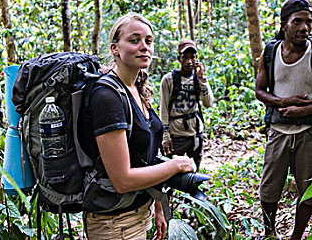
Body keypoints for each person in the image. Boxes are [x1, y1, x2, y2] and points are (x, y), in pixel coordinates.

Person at [79, 13, 196, 240]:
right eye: (134, 41)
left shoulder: (137, 87)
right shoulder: (107, 98)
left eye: (148, 41)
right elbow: (122, 180)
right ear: (115, 48)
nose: (144, 47)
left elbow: (146, 157)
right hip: (115, 223)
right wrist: (176, 165)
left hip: (139, 212)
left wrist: (158, 206)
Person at [255, 0, 312, 240]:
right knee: (269, 189)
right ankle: (270, 233)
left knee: (308, 191)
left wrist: (303, 111)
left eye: (308, 22)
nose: (304, 27)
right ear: (284, 25)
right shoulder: (271, 54)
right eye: (298, 21)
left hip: (309, 132)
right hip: (278, 131)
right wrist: (281, 102)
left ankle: (296, 237)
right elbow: (259, 90)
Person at [159, 39, 213, 169]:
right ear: (179, 59)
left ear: (196, 59)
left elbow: (208, 103)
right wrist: (165, 136)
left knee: (195, 169)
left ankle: (193, 189)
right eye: (185, 57)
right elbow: (164, 108)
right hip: (177, 134)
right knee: (170, 170)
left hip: (195, 132)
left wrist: (202, 80)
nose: (189, 61)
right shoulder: (169, 80)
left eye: (192, 57)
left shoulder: (199, 79)